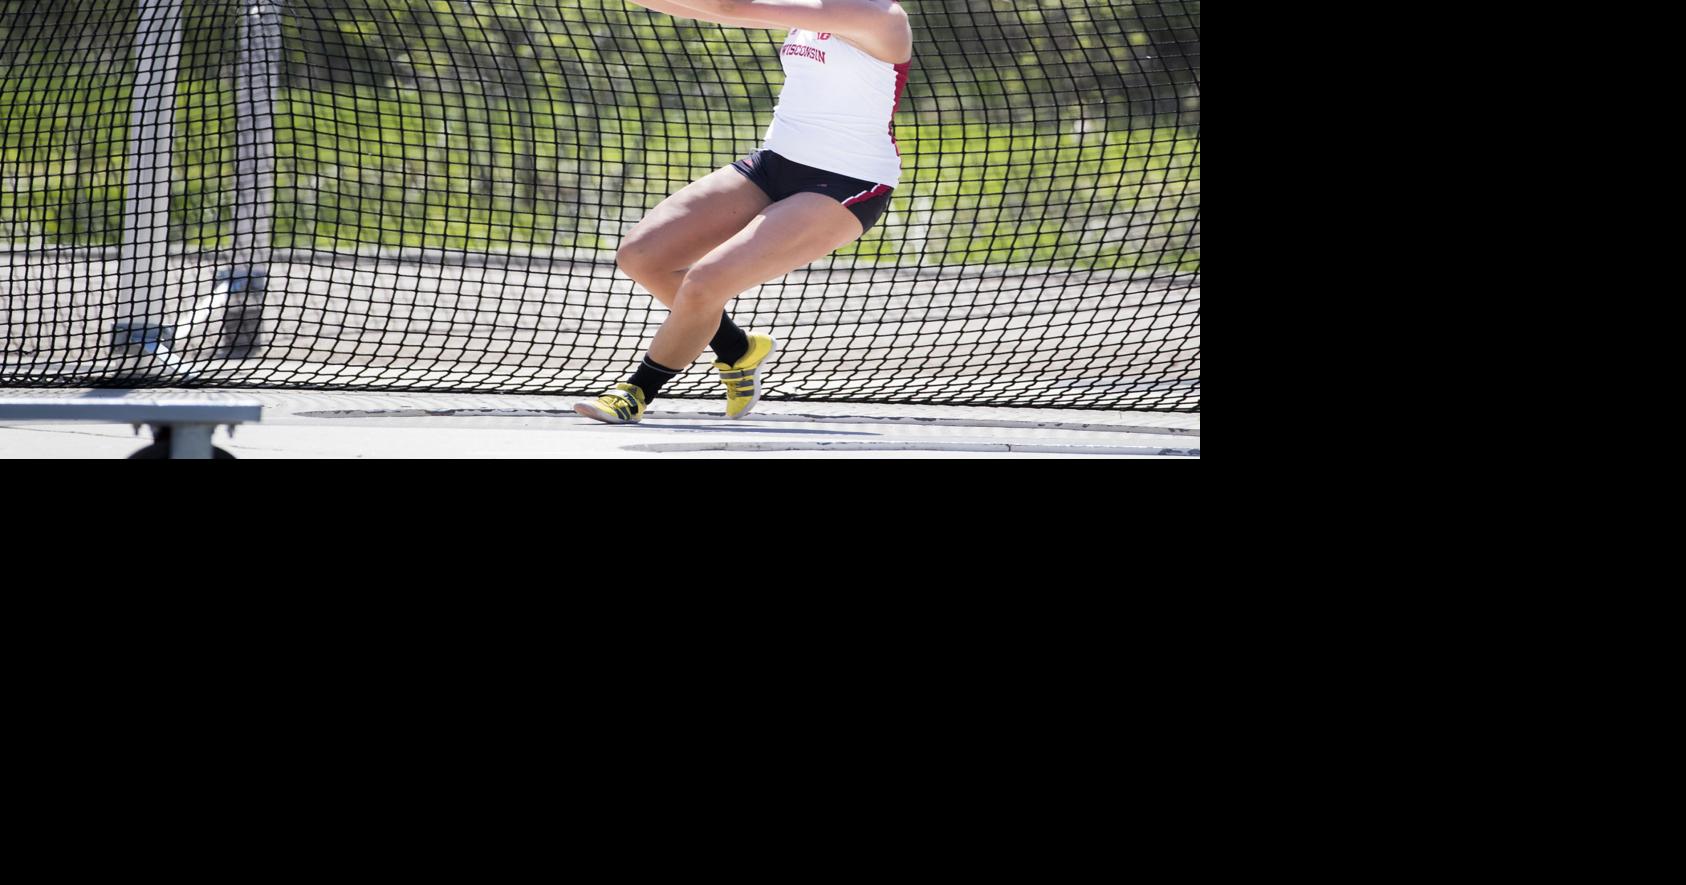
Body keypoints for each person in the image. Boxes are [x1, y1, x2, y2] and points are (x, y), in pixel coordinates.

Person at [575, 0, 913, 424]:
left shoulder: (880, 16)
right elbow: (716, 13)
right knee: (642, 256)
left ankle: (635, 392)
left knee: (704, 282)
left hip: (849, 183)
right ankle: (737, 350)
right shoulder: (815, 7)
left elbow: (728, 6)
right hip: (774, 164)